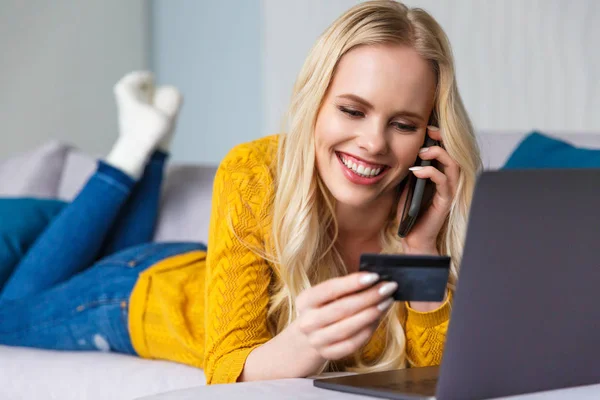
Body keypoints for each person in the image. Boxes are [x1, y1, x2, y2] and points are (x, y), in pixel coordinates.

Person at [0, 0, 481, 385]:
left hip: (203, 268)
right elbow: (230, 370)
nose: (374, 143)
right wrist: (309, 341)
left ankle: (147, 144)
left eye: (402, 124)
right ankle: (132, 154)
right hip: (134, 296)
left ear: (430, 138)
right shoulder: (255, 173)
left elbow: (433, 377)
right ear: (315, 104)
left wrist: (422, 249)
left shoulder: (424, 224)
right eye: (352, 111)